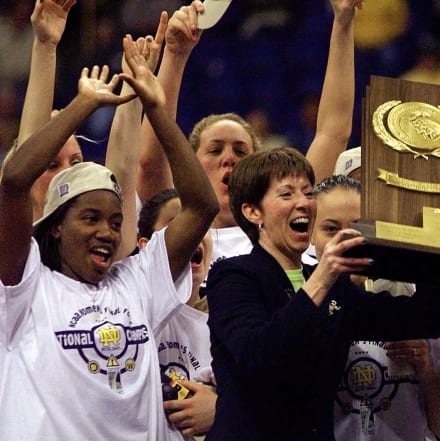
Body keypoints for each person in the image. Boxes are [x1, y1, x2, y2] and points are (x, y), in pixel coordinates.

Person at [0, 35, 219, 440]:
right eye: (90, 218)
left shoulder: (136, 281)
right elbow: (14, 181)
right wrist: (82, 105)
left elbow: (202, 207)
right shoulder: (23, 287)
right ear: (57, 226)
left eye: (116, 222)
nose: (107, 232)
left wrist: (155, 106)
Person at [204, 147, 440, 441]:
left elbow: (424, 319)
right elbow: (258, 356)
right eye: (287, 194)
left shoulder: (335, 288)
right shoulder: (234, 276)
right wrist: (322, 277)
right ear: (252, 212)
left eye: (308, 193)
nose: (303, 203)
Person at [138, 0, 360, 265]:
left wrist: (343, 23)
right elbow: (151, 162)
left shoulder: (289, 232)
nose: (229, 158)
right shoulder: (174, 232)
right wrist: (175, 55)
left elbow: (332, 132)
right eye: (215, 149)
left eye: (241, 150)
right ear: (191, 167)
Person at [15, 0, 166, 260]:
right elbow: (28, 161)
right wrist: (46, 46)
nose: (68, 173)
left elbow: (124, 174)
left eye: (76, 162)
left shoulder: (107, 247)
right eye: (52, 165)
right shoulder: (20, 256)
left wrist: (133, 87)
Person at [312, 174, 440, 441]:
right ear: (310, 234)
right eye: (330, 229)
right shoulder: (298, 307)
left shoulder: (412, 302)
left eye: (357, 227)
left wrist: (425, 367)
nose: (344, 239)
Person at [136, 189, 217, 439]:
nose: (195, 234)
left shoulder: (232, 318)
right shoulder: (132, 305)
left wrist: (221, 408)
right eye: (179, 225)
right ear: (146, 247)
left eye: (202, 227)